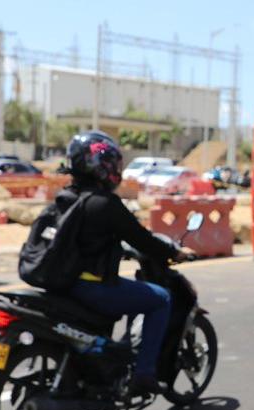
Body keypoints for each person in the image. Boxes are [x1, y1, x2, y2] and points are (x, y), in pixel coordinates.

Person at [58, 131, 195, 394]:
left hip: (62, 283)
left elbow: (85, 241)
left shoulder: (65, 199)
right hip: (92, 288)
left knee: (134, 291)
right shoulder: (105, 204)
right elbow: (141, 239)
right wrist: (172, 253)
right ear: (103, 166)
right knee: (160, 299)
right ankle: (144, 373)